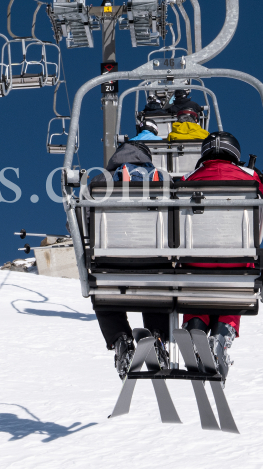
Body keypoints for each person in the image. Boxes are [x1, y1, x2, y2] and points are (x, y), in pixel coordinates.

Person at [178, 131, 263, 379]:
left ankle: (196, 324)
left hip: (196, 259)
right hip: (238, 259)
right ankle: (222, 332)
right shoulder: (251, 177)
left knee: (198, 286)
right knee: (232, 289)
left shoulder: (188, 178)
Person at [91, 140, 168, 378]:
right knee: (158, 286)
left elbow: (82, 220)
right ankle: (156, 334)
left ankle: (120, 339)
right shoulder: (163, 180)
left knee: (103, 294)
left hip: (110, 261)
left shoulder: (100, 181)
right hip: (155, 260)